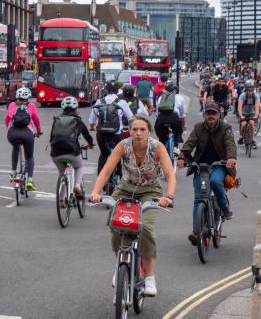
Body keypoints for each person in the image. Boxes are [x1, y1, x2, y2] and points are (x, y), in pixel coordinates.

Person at [89, 115, 176, 296]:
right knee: (116, 225)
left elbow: (169, 175)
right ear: (130, 131)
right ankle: (120, 264)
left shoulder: (157, 147)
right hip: (125, 189)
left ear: (148, 131)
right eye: (134, 129)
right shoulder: (123, 146)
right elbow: (106, 171)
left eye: (142, 130)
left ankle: (150, 277)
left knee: (145, 228)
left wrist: (168, 196)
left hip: (150, 191)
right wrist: (96, 192)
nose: (138, 133)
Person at [177, 103, 237, 246]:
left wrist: (231, 158)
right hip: (201, 166)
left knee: (216, 182)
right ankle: (196, 231)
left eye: (213, 113)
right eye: (208, 113)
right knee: (198, 198)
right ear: (204, 114)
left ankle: (224, 207)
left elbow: (230, 144)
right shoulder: (198, 127)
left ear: (218, 115)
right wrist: (182, 157)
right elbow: (189, 143)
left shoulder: (225, 128)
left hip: (220, 164)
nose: (211, 116)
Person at [49, 97, 94, 197]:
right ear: (76, 108)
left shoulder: (57, 120)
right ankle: (77, 185)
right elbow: (87, 136)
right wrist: (90, 144)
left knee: (62, 172)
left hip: (56, 152)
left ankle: (60, 199)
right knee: (79, 167)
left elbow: (52, 137)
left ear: (63, 109)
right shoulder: (78, 121)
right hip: (72, 151)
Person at [89, 80, 134, 174]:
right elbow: (131, 118)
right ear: (118, 90)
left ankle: (101, 180)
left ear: (106, 90)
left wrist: (92, 127)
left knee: (104, 154)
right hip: (117, 134)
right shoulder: (121, 102)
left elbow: (92, 119)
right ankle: (120, 177)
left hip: (102, 134)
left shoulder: (99, 101)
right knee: (119, 154)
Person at [5, 87, 42, 190]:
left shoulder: (12, 105)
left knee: (16, 147)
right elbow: (36, 120)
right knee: (29, 157)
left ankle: (13, 172)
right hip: (27, 133)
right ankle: (30, 180)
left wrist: (8, 129)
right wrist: (38, 131)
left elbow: (7, 118)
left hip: (13, 133)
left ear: (17, 96)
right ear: (28, 98)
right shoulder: (31, 106)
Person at [154, 84, 184, 150]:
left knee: (161, 136)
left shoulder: (161, 98)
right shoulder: (180, 98)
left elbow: (157, 113)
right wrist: (182, 128)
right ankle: (175, 148)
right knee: (177, 132)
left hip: (161, 118)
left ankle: (161, 149)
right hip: (174, 119)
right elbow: (182, 115)